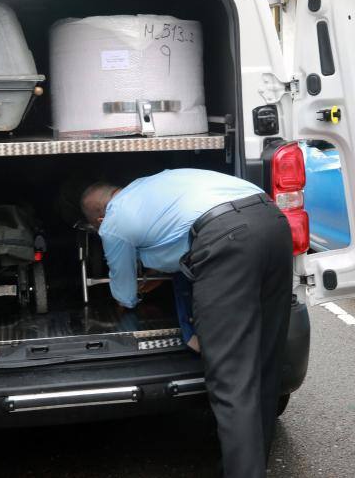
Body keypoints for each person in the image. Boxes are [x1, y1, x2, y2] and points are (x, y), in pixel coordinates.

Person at [80, 168, 293, 478]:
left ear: (97, 220)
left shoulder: (112, 224)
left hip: (225, 239)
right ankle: (248, 466)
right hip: (272, 220)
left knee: (231, 377)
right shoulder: (144, 186)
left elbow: (124, 293)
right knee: (265, 360)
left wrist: (130, 298)